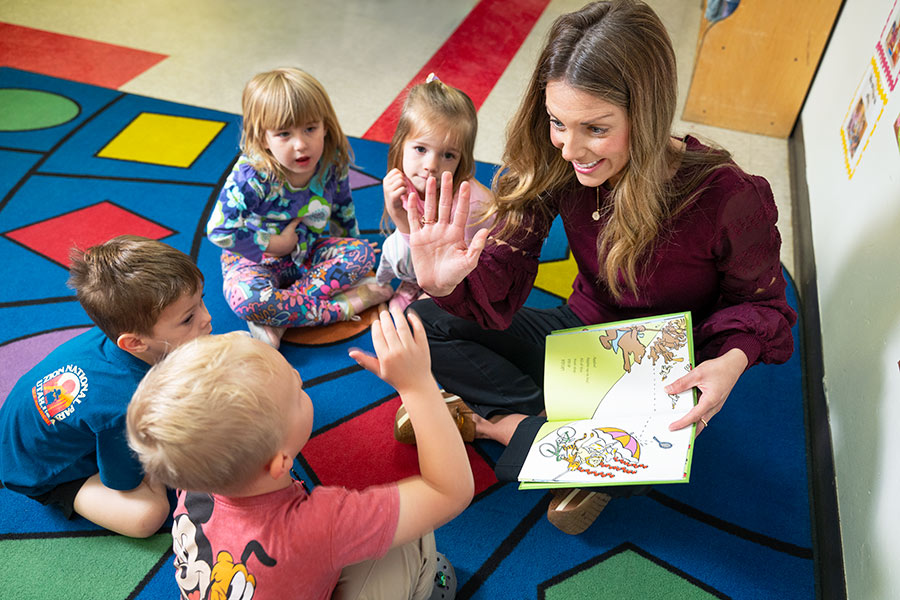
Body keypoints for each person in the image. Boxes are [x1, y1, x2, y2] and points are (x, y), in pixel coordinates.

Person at [400, 0, 797, 535]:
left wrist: (732, 360)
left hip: (660, 370)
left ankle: (486, 423)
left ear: (648, 112)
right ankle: (543, 436)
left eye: (596, 128)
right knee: (420, 324)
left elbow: (762, 304)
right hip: (581, 337)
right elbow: (503, 270)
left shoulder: (729, 196)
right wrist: (447, 281)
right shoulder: (553, 156)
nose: (571, 148)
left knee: (654, 449)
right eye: (558, 122)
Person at [126, 305, 473, 600]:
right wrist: (418, 387)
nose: (297, 373)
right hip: (299, 550)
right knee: (410, 537)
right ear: (278, 462)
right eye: (296, 391)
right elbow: (447, 492)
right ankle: (427, 583)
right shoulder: (317, 523)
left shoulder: (196, 468)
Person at [0, 235, 212, 537]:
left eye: (202, 299)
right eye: (188, 318)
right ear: (135, 342)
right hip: (39, 471)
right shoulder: (125, 407)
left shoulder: (127, 340)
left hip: (35, 426)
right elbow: (122, 483)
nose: (207, 318)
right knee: (148, 515)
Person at [207, 67, 392, 349]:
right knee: (247, 300)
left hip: (310, 253)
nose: (301, 144)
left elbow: (342, 210)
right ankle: (342, 307)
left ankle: (278, 318)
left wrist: (357, 263)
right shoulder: (252, 176)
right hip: (256, 260)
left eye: (310, 128)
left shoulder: (332, 161)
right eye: (283, 134)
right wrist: (275, 244)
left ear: (325, 125)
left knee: (363, 254)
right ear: (262, 139)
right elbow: (219, 231)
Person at [377, 73, 494, 311]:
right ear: (400, 144)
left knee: (422, 317)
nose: (431, 165)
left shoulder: (472, 204)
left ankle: (433, 293)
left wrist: (441, 293)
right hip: (431, 257)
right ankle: (414, 282)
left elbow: (469, 263)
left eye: (448, 155)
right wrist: (396, 211)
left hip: (470, 270)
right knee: (396, 246)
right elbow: (414, 242)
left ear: (462, 159)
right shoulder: (404, 179)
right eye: (421, 148)